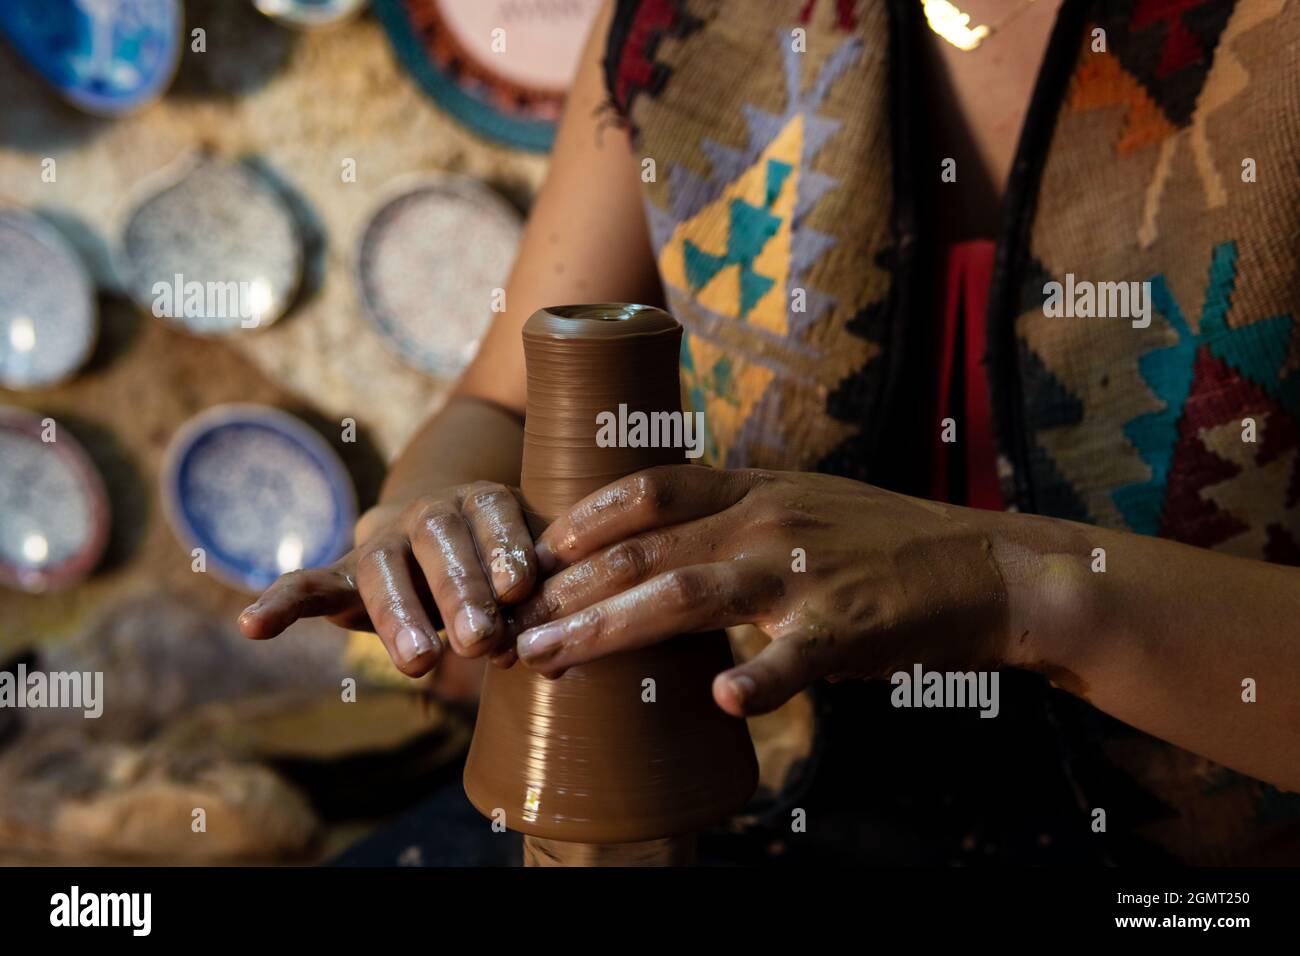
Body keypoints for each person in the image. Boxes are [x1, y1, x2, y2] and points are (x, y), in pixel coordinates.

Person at [240, 0, 1300, 864]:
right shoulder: (691, 22)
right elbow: (505, 406)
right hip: (756, 794)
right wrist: (428, 516)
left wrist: (1015, 583)